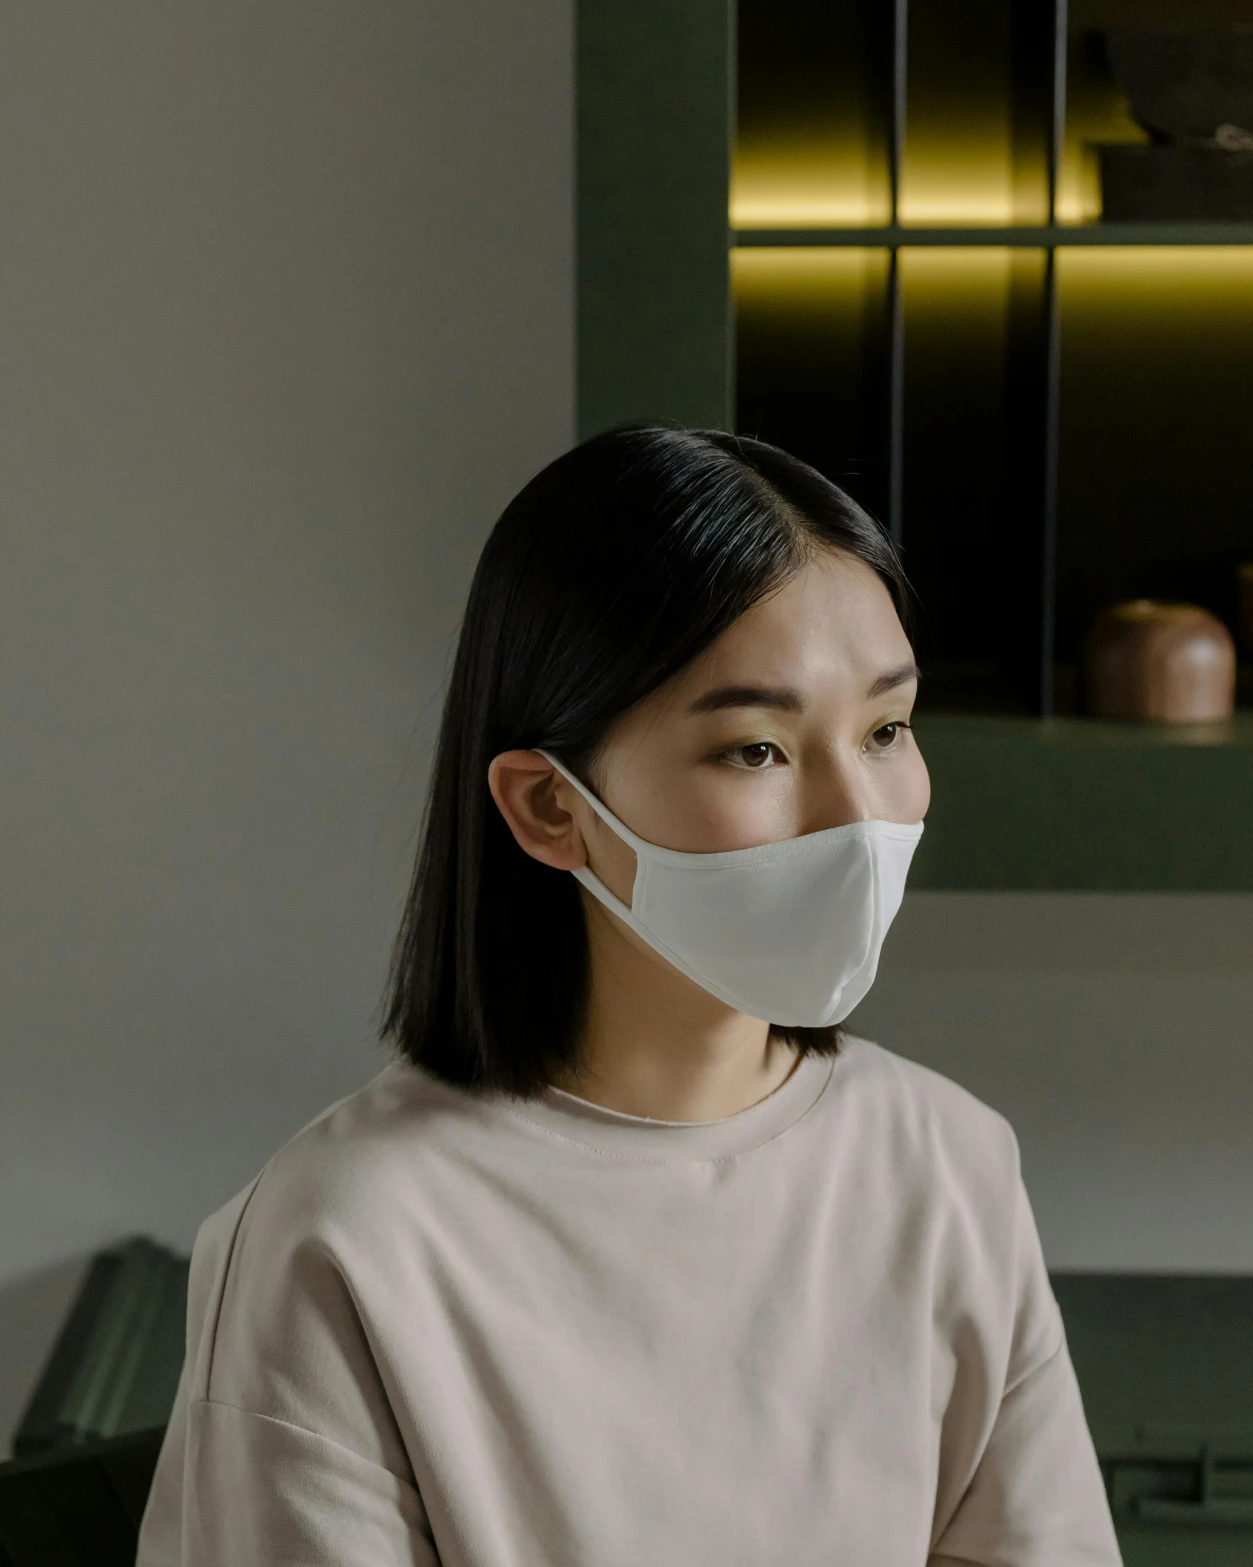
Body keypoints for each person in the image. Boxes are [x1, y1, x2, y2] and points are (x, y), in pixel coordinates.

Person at [134, 425, 1121, 1565]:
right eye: (755, 750)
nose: (858, 815)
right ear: (549, 808)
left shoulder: (948, 1163)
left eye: (886, 729)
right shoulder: (348, 1239)